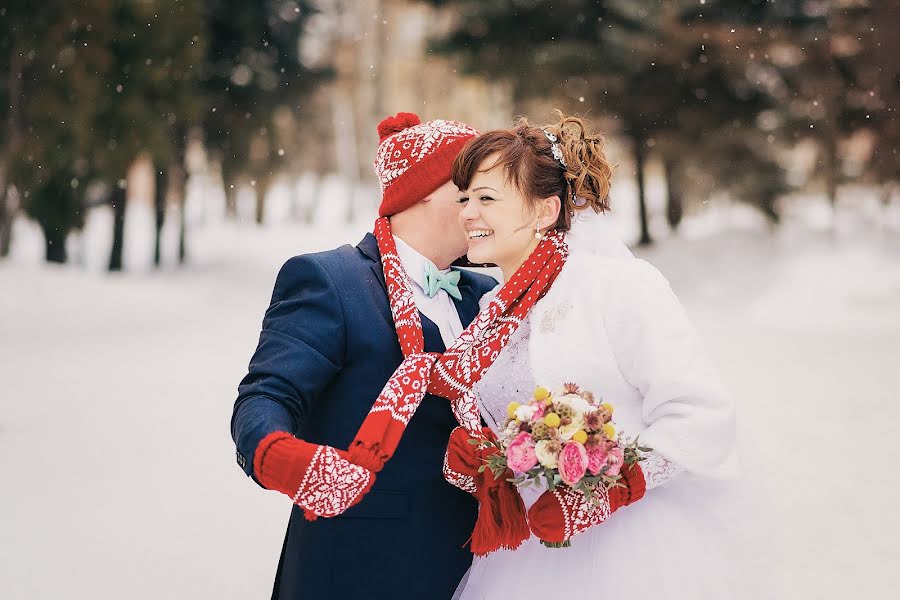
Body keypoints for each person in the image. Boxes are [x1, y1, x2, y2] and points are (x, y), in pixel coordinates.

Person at [443, 113, 763, 599]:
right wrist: (487, 459)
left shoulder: (619, 288)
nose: (467, 212)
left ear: (545, 211)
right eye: (463, 198)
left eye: (486, 199)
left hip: (632, 549)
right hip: (530, 552)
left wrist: (616, 487)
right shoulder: (490, 311)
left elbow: (699, 413)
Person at [230, 112, 498, 599]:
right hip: (361, 567)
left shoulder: (488, 295)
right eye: (469, 193)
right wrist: (283, 457)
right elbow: (265, 397)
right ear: (422, 191)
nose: (483, 209)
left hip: (478, 567)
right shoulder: (330, 281)